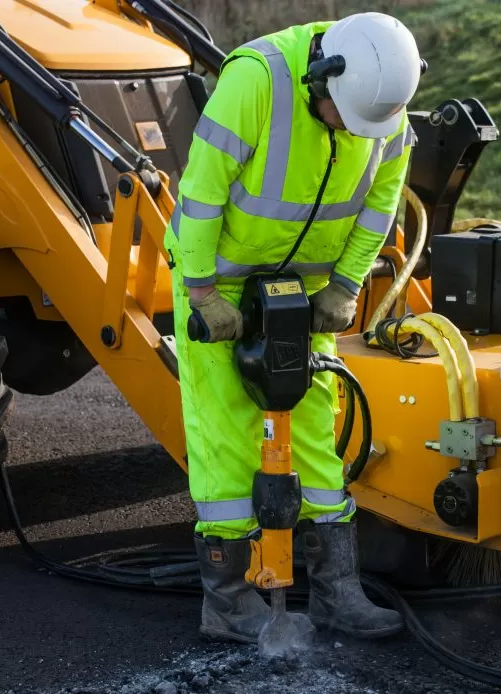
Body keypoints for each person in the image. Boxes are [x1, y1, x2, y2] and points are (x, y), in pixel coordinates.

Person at [164, 12, 423, 645]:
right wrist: (201, 292)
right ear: (322, 75)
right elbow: (201, 192)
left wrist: (346, 285)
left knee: (313, 425)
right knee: (227, 432)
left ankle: (337, 591)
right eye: (341, 115)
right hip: (221, 281)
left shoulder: (382, 100)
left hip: (304, 289)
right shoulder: (256, 80)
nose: (349, 129)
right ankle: (228, 601)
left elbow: (380, 205)